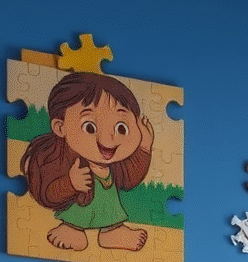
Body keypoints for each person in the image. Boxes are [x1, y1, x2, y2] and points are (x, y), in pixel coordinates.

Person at [21, 71, 154, 252]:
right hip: (78, 214)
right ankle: (72, 229)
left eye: (121, 127)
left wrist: (144, 147)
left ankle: (112, 232)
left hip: (110, 215)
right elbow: (50, 194)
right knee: (75, 221)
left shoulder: (116, 167)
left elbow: (132, 178)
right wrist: (70, 183)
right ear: (60, 127)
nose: (108, 140)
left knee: (112, 218)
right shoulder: (67, 163)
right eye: (89, 126)